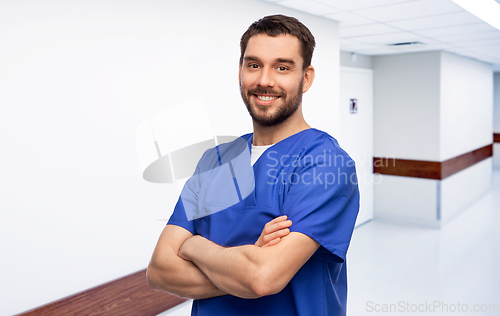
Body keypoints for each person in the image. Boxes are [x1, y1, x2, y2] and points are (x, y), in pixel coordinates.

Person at [147, 14, 360, 316]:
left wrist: (194, 246)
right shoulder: (215, 160)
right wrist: (243, 267)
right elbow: (159, 270)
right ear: (241, 71)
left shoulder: (327, 164)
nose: (264, 80)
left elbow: (262, 278)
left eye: (282, 67)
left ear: (306, 78)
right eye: (254, 65)